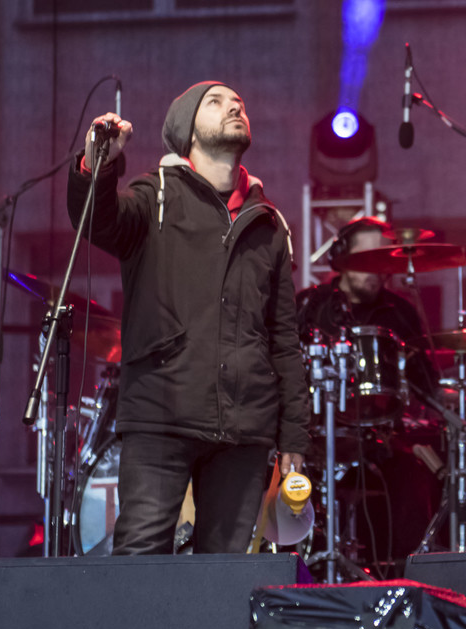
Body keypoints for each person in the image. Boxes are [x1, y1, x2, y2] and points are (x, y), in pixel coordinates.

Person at [68, 81, 309, 556]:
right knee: (140, 557)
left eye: (238, 103)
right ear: (187, 130)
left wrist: (294, 436)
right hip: (162, 414)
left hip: (245, 425)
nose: (234, 107)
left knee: (225, 575)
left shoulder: (269, 223)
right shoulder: (155, 195)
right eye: (216, 102)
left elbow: (284, 338)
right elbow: (97, 221)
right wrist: (98, 164)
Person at [293, 217, 433, 402]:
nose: (373, 267)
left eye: (381, 258)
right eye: (364, 257)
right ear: (341, 257)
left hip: (385, 416)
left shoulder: (401, 312)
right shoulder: (310, 304)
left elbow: (424, 381)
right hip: (319, 413)